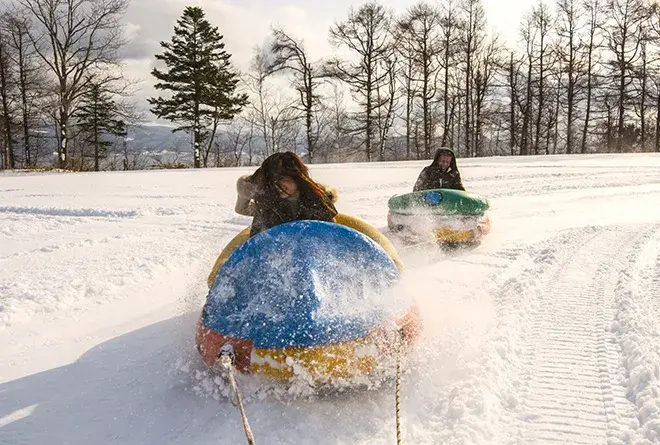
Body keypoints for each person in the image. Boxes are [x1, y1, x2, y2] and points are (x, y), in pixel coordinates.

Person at [234, 151, 338, 237]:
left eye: (282, 178)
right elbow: (256, 242)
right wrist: (245, 190)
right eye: (271, 181)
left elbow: (332, 237)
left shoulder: (316, 202)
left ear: (297, 177)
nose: (276, 185)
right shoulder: (268, 203)